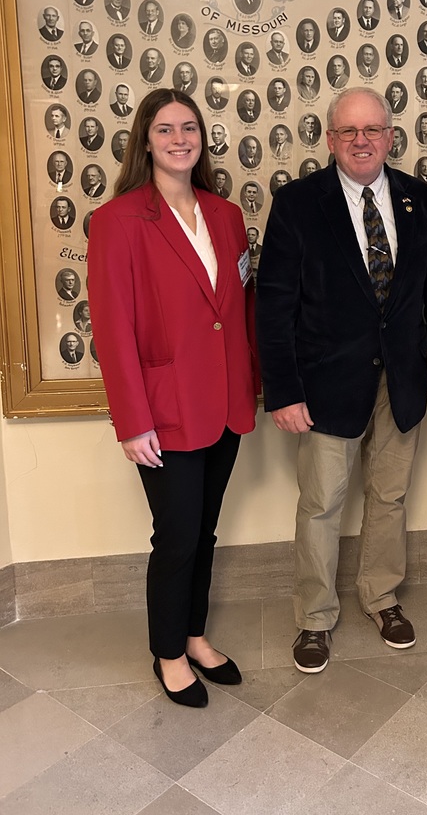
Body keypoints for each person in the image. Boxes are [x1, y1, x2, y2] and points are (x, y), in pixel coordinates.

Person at [256, 87, 427, 674]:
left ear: (390, 136)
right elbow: (274, 305)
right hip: (325, 385)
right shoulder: (299, 204)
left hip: (400, 381)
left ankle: (381, 596)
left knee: (390, 496)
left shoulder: (420, 200)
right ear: (329, 140)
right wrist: (284, 388)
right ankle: (315, 618)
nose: (361, 141)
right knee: (322, 502)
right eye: (348, 131)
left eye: (372, 129)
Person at [88, 87, 260, 708]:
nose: (180, 138)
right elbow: (112, 330)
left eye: (189, 127)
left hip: (226, 404)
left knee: (206, 531)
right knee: (178, 535)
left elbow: (236, 311)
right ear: (145, 140)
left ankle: (194, 633)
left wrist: (253, 387)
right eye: (165, 129)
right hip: (163, 412)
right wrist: (132, 422)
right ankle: (167, 653)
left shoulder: (225, 215)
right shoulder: (118, 221)